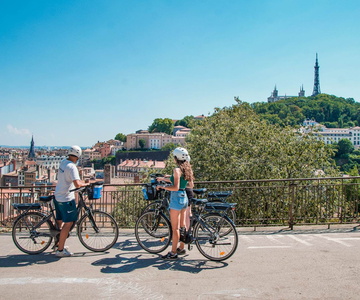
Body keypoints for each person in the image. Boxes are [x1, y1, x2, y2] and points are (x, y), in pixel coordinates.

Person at [156, 147, 194, 260]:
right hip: (184, 197)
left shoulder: (177, 170)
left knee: (175, 228)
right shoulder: (187, 169)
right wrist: (170, 179)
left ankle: (173, 253)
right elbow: (191, 185)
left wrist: (163, 186)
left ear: (176, 158)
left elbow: (175, 187)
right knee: (182, 226)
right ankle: (181, 247)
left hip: (176, 198)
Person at [54, 145, 87, 257]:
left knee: (59, 220)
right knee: (68, 223)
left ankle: (58, 244)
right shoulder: (72, 167)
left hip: (57, 195)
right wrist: (86, 184)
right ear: (78, 156)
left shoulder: (63, 162)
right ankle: (60, 251)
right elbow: (77, 184)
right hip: (66, 198)